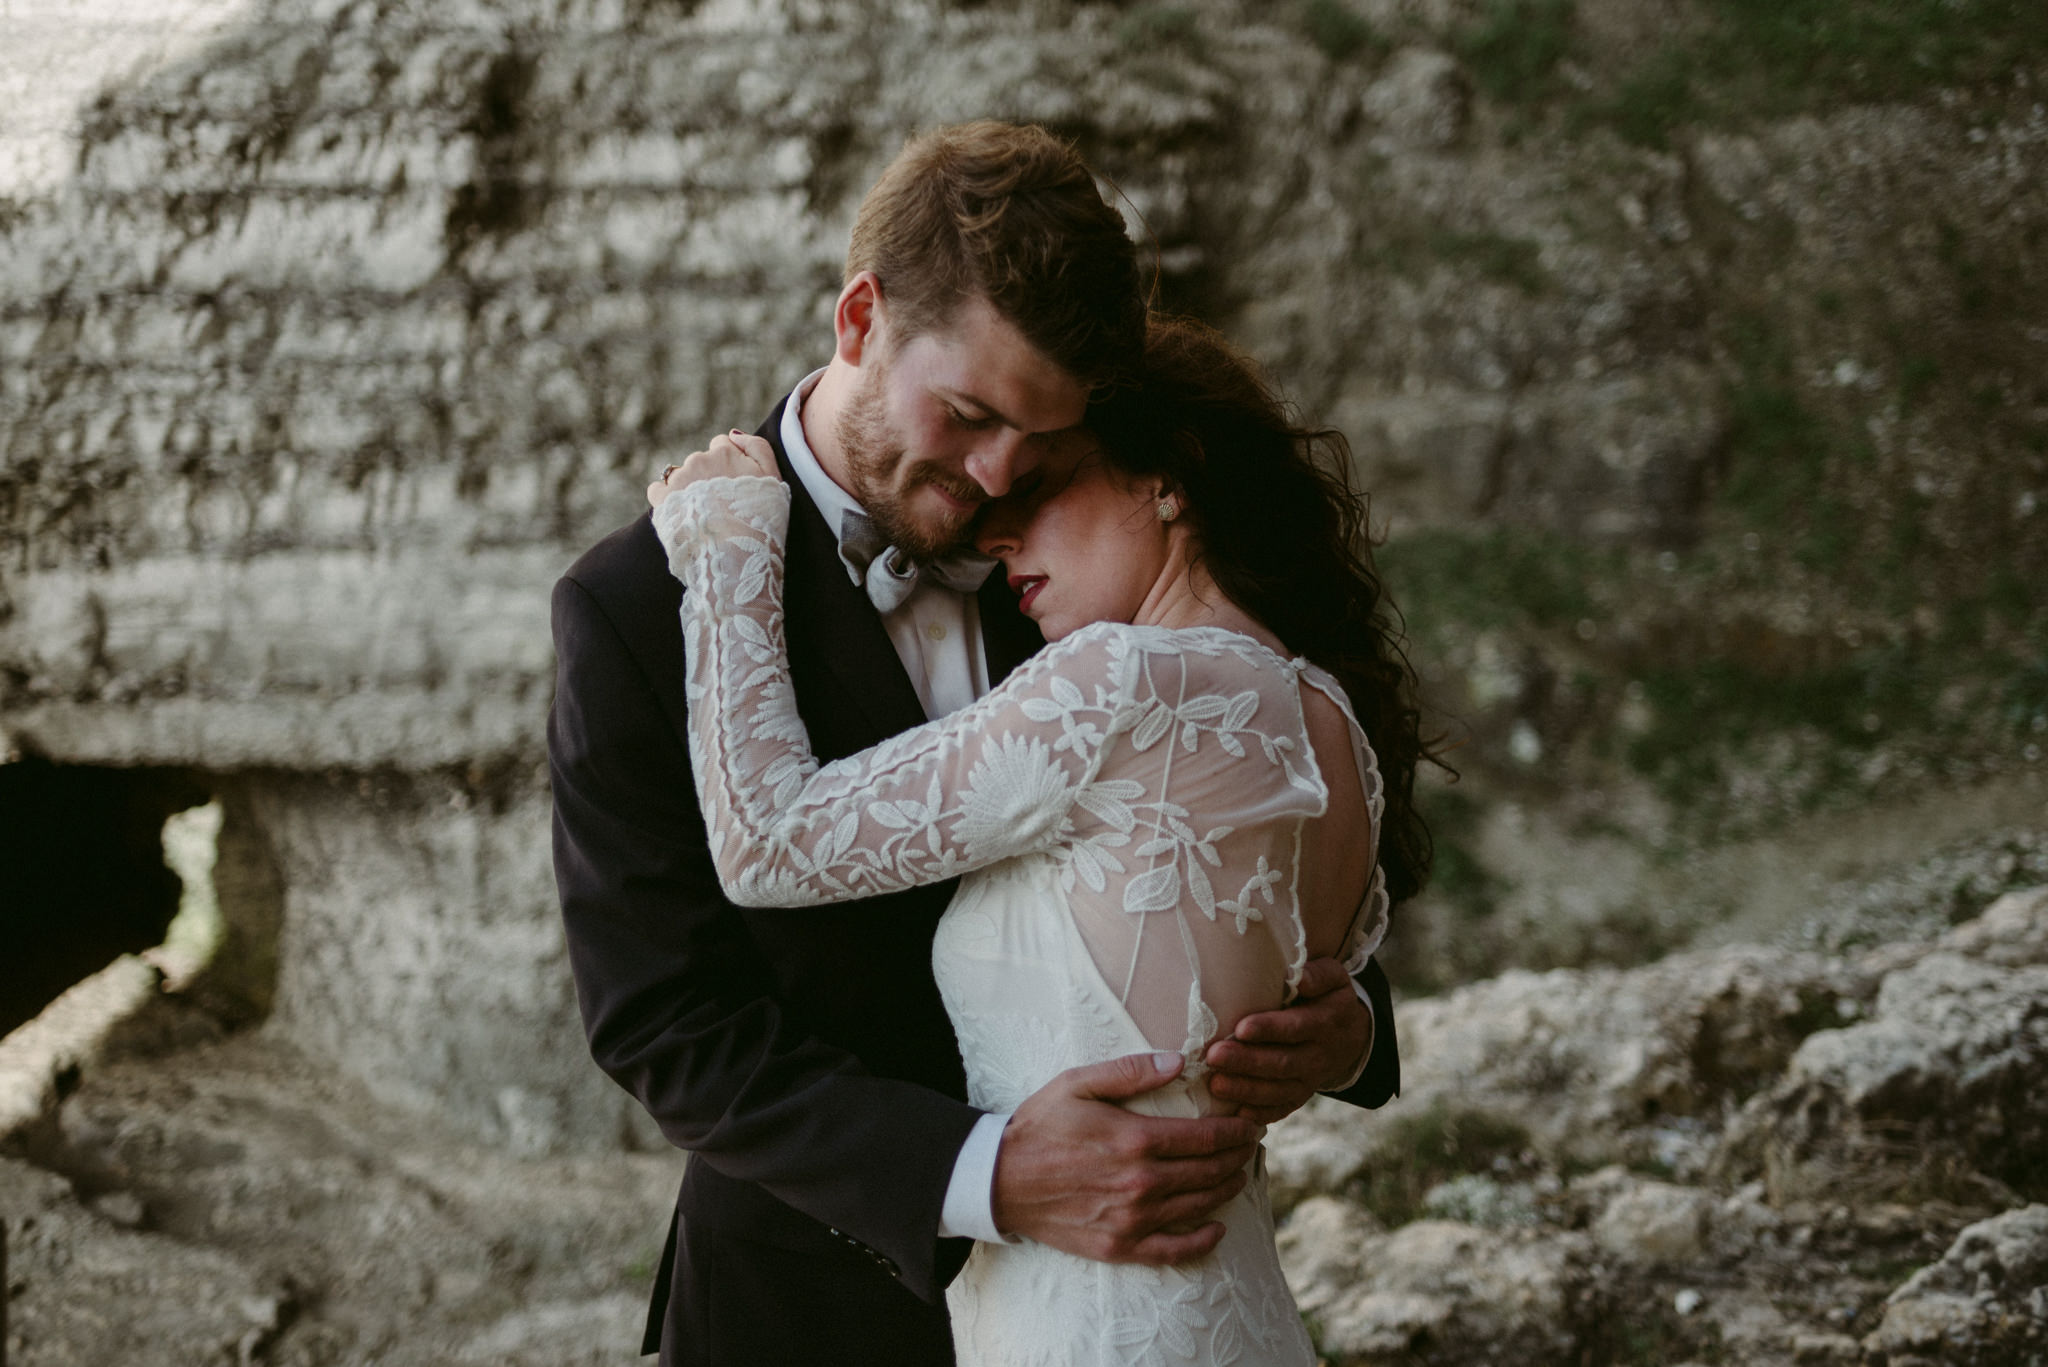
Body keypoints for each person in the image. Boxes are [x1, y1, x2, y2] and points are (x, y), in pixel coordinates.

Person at [549, 122, 1401, 1367]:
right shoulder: (636, 606)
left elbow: (1243, 827)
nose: (994, 475)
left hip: (1124, 1293)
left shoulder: (1071, 554)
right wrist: (985, 1171)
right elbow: (662, 1021)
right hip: (806, 1307)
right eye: (965, 414)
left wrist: (1343, 1025)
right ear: (858, 319)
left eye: (1040, 436)